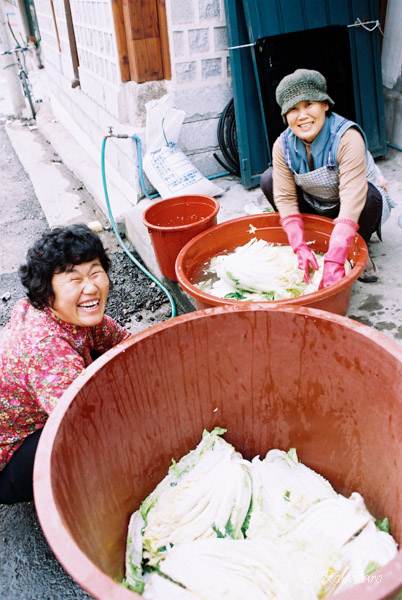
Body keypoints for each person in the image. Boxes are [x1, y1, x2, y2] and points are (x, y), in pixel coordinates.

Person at [0, 224, 130, 504]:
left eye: (95, 273)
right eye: (74, 280)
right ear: (46, 292)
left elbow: (125, 343)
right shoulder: (47, 348)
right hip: (10, 457)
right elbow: (83, 426)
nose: (91, 287)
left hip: (41, 406)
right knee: (85, 438)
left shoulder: (69, 312)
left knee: (110, 361)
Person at [260, 68, 394, 286]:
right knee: (269, 179)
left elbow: (352, 198)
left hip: (351, 206)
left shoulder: (347, 137)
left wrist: (335, 257)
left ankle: (356, 248)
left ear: (325, 104)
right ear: (285, 116)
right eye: (293, 109)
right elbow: (285, 197)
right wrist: (298, 245)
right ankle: (311, 242)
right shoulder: (282, 145)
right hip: (315, 202)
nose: (302, 116)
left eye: (309, 104)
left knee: (370, 196)